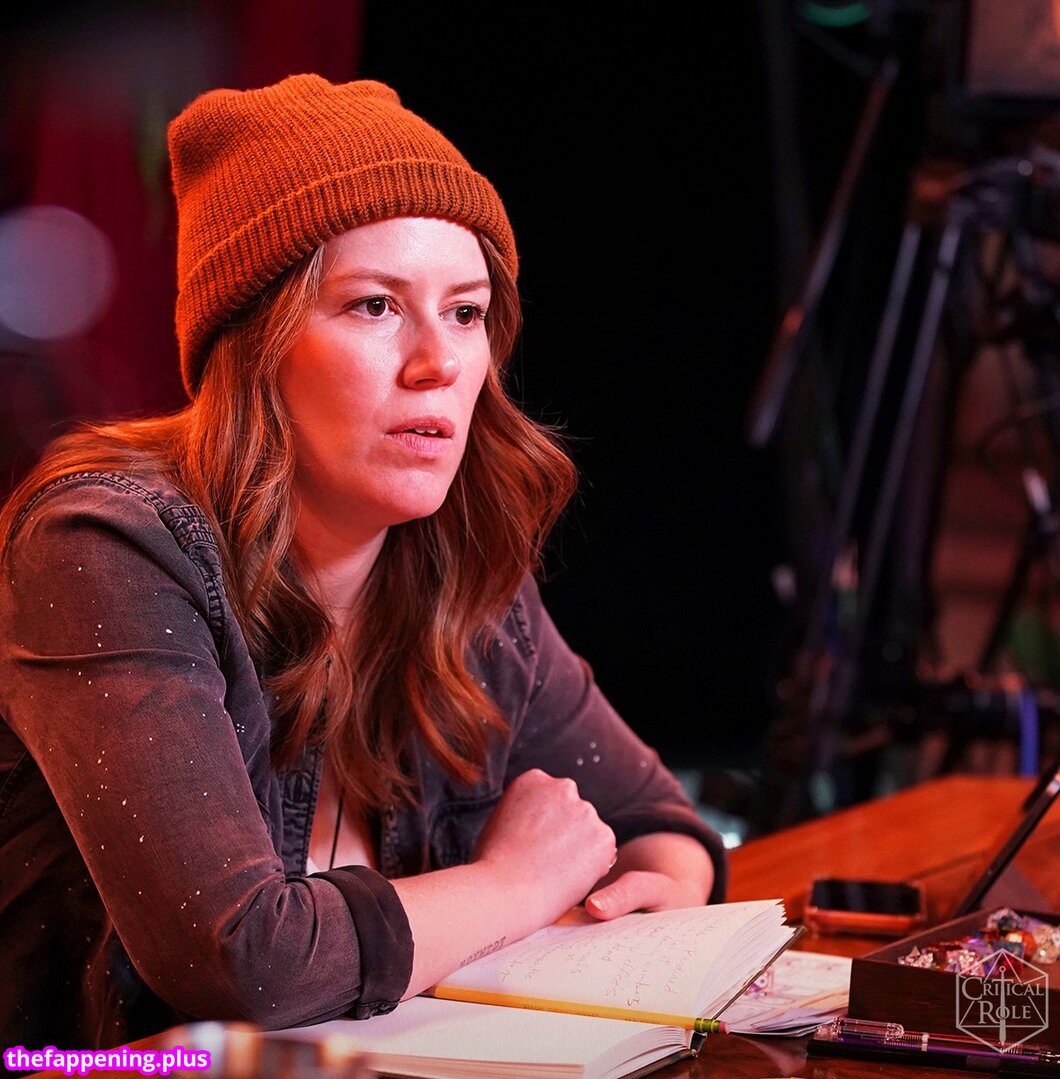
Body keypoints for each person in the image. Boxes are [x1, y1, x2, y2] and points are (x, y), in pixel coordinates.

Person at [0, 74, 727, 1052]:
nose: (439, 362)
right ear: (254, 343)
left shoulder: (457, 568)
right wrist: (514, 884)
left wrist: (652, 894)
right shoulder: (104, 546)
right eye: (376, 305)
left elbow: (660, 821)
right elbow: (245, 964)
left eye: (465, 312)